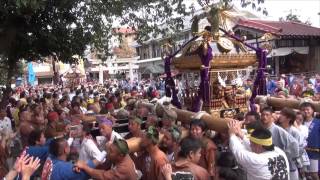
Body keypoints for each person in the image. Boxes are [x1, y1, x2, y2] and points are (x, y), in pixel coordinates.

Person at [260, 107, 300, 176]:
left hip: (285, 164)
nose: (264, 117)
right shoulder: (261, 128)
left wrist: (283, 155)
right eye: (263, 115)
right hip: (269, 163)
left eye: (267, 115)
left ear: (271, 116)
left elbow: (295, 145)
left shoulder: (279, 130)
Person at [278, 108, 303, 180]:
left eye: (282, 115)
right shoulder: (277, 129)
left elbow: (297, 149)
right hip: (278, 163)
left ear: (289, 118)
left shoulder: (295, 132)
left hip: (291, 163)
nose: (280, 116)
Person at [300, 102, 320, 180]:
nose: (306, 111)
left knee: (313, 173)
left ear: (313, 110)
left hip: (314, 151)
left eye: (308, 109)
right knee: (303, 173)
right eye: (303, 110)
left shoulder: (318, 122)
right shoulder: (299, 122)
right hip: (301, 151)